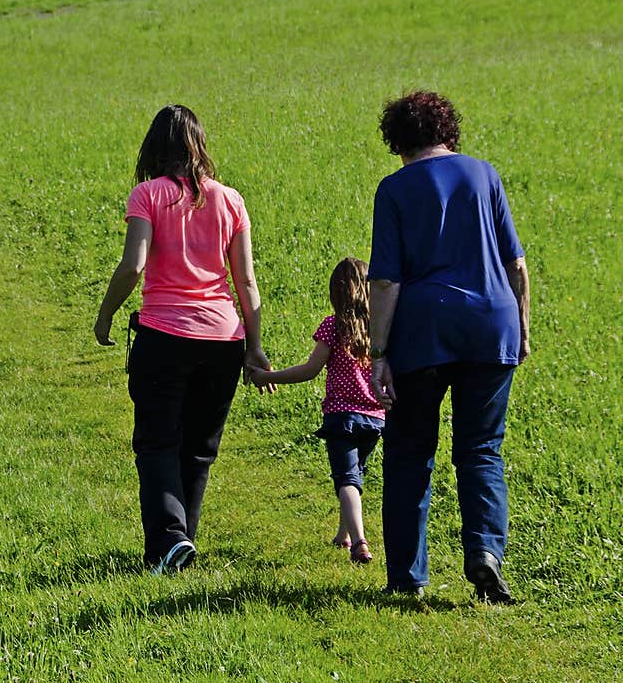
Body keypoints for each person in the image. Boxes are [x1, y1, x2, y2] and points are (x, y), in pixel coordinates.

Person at [94, 104, 274, 574]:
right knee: (198, 449)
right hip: (223, 340)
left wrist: (105, 314)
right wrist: (255, 346)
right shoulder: (230, 200)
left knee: (157, 443)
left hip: (164, 336)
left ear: (155, 147)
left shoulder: (147, 195)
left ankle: (171, 540)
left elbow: (134, 265)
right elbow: (247, 283)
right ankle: (179, 547)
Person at [367, 90, 530, 602]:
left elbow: (387, 281)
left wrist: (377, 353)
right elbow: (516, 265)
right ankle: (485, 552)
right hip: (491, 324)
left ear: (397, 140)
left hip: (424, 332)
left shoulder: (394, 189)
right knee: (482, 447)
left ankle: (407, 577)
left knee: (410, 451)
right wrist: (523, 327)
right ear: (448, 131)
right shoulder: (485, 175)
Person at [249, 257, 384, 565]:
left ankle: (360, 541)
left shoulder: (333, 326)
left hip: (341, 417)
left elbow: (310, 370)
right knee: (355, 476)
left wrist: (268, 376)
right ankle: (344, 534)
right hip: (376, 418)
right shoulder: (379, 329)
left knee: (346, 479)